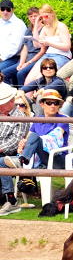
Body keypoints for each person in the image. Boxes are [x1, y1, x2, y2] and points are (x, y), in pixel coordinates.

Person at [4, 89, 69, 174]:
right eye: (49, 103)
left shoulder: (63, 119)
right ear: (42, 104)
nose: (53, 106)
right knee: (2, 161)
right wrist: (22, 144)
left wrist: (33, 141)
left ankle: (21, 161)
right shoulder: (37, 119)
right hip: (37, 158)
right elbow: (28, 140)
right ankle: (8, 187)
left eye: (56, 103)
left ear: (59, 106)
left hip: (57, 159)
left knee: (35, 137)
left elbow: (55, 136)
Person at [0, 80, 30, 216]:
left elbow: (14, 142)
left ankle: (10, 200)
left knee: (2, 161)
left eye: (2, 104)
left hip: (12, 154)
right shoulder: (1, 113)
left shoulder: (20, 117)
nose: (0, 107)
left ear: (11, 102)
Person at [23, 4, 72, 85]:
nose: (44, 19)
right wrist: (36, 27)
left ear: (52, 13)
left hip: (61, 55)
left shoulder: (61, 26)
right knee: (29, 80)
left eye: (46, 16)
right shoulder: (45, 28)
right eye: (42, 18)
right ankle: (26, 97)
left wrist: (49, 43)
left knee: (40, 77)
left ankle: (37, 96)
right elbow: (37, 45)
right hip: (48, 55)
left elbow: (67, 47)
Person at [3, 6, 43, 87]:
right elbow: (25, 49)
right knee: (4, 74)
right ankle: (12, 93)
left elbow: (43, 51)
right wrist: (21, 63)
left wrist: (28, 63)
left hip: (36, 60)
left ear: (40, 16)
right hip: (26, 60)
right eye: (31, 16)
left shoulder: (44, 29)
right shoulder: (28, 30)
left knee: (20, 73)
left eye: (35, 16)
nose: (33, 18)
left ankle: (23, 95)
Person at [0, 0, 27, 83]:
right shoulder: (0, 22)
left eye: (8, 9)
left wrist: (1, 58)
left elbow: (15, 47)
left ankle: (8, 94)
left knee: (2, 73)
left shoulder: (18, 24)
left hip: (14, 58)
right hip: (2, 57)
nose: (5, 12)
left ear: (12, 10)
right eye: (2, 9)